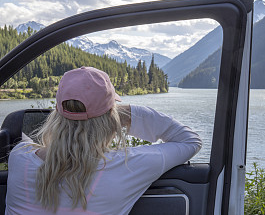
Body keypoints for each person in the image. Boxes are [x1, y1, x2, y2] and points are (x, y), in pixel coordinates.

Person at [5, 66, 202, 214]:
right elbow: (190, 140)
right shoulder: (127, 166)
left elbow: (31, 143)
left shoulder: (20, 158)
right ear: (111, 118)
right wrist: (130, 113)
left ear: (57, 113)